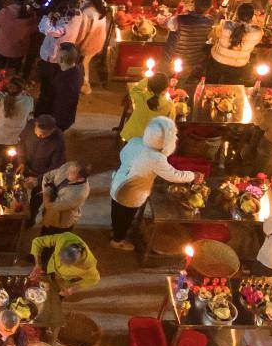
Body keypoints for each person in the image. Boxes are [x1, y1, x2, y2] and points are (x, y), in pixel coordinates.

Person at [109, 116, 196, 249]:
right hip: (131, 193)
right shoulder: (157, 158)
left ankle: (114, 230)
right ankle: (118, 240)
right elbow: (174, 175)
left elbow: (123, 155)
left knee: (116, 211)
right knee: (126, 216)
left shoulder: (135, 141)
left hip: (118, 182)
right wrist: (193, 175)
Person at [208, 1, 265, 84]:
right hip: (238, 65)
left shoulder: (225, 25)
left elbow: (212, 36)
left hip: (218, 60)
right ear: (252, 17)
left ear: (237, 14)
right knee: (230, 87)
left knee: (211, 83)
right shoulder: (258, 32)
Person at [29, 231, 99, 294]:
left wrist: (73, 288)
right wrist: (38, 264)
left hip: (62, 281)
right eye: (60, 258)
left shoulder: (88, 267)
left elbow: (94, 280)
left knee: (54, 296)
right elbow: (37, 242)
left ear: (74, 263)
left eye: (65, 263)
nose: (59, 263)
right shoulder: (64, 239)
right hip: (50, 267)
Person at [38, 161, 89, 233]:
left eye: (72, 173)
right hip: (49, 218)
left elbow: (49, 205)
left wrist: (47, 189)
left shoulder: (78, 194)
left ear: (80, 179)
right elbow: (48, 175)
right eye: (68, 169)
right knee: (43, 237)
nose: (66, 173)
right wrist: (40, 182)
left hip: (60, 224)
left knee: (56, 242)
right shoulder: (67, 168)